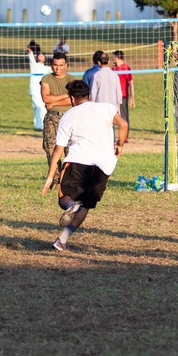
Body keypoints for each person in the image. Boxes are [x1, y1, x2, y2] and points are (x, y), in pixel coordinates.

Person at [41, 80, 128, 251]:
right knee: (85, 203)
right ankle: (62, 241)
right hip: (103, 166)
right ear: (89, 96)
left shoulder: (68, 116)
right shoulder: (106, 108)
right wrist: (120, 144)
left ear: (72, 99)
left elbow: (58, 150)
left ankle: (70, 206)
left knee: (65, 198)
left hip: (78, 161)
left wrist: (51, 176)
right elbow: (123, 125)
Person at [40, 52, 78, 183]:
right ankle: (56, 177)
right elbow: (46, 98)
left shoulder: (72, 80)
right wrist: (65, 96)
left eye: (61, 65)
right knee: (50, 148)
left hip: (69, 117)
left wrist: (54, 102)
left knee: (70, 149)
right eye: (55, 65)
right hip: (52, 118)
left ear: (65, 65)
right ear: (51, 65)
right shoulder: (46, 79)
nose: (58, 68)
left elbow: (74, 100)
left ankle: (69, 177)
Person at [26, 47, 51, 130]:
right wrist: (30, 52)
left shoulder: (46, 69)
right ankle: (39, 125)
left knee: (41, 107)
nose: (41, 56)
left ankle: (40, 125)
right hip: (34, 90)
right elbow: (31, 59)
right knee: (38, 107)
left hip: (42, 90)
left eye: (42, 56)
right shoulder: (34, 66)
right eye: (39, 55)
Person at [111, 50, 135, 128]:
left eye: (113, 57)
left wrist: (132, 98)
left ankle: (125, 136)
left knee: (124, 115)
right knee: (113, 115)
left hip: (123, 95)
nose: (112, 59)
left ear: (117, 57)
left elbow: (131, 84)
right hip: (113, 96)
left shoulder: (126, 68)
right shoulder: (113, 69)